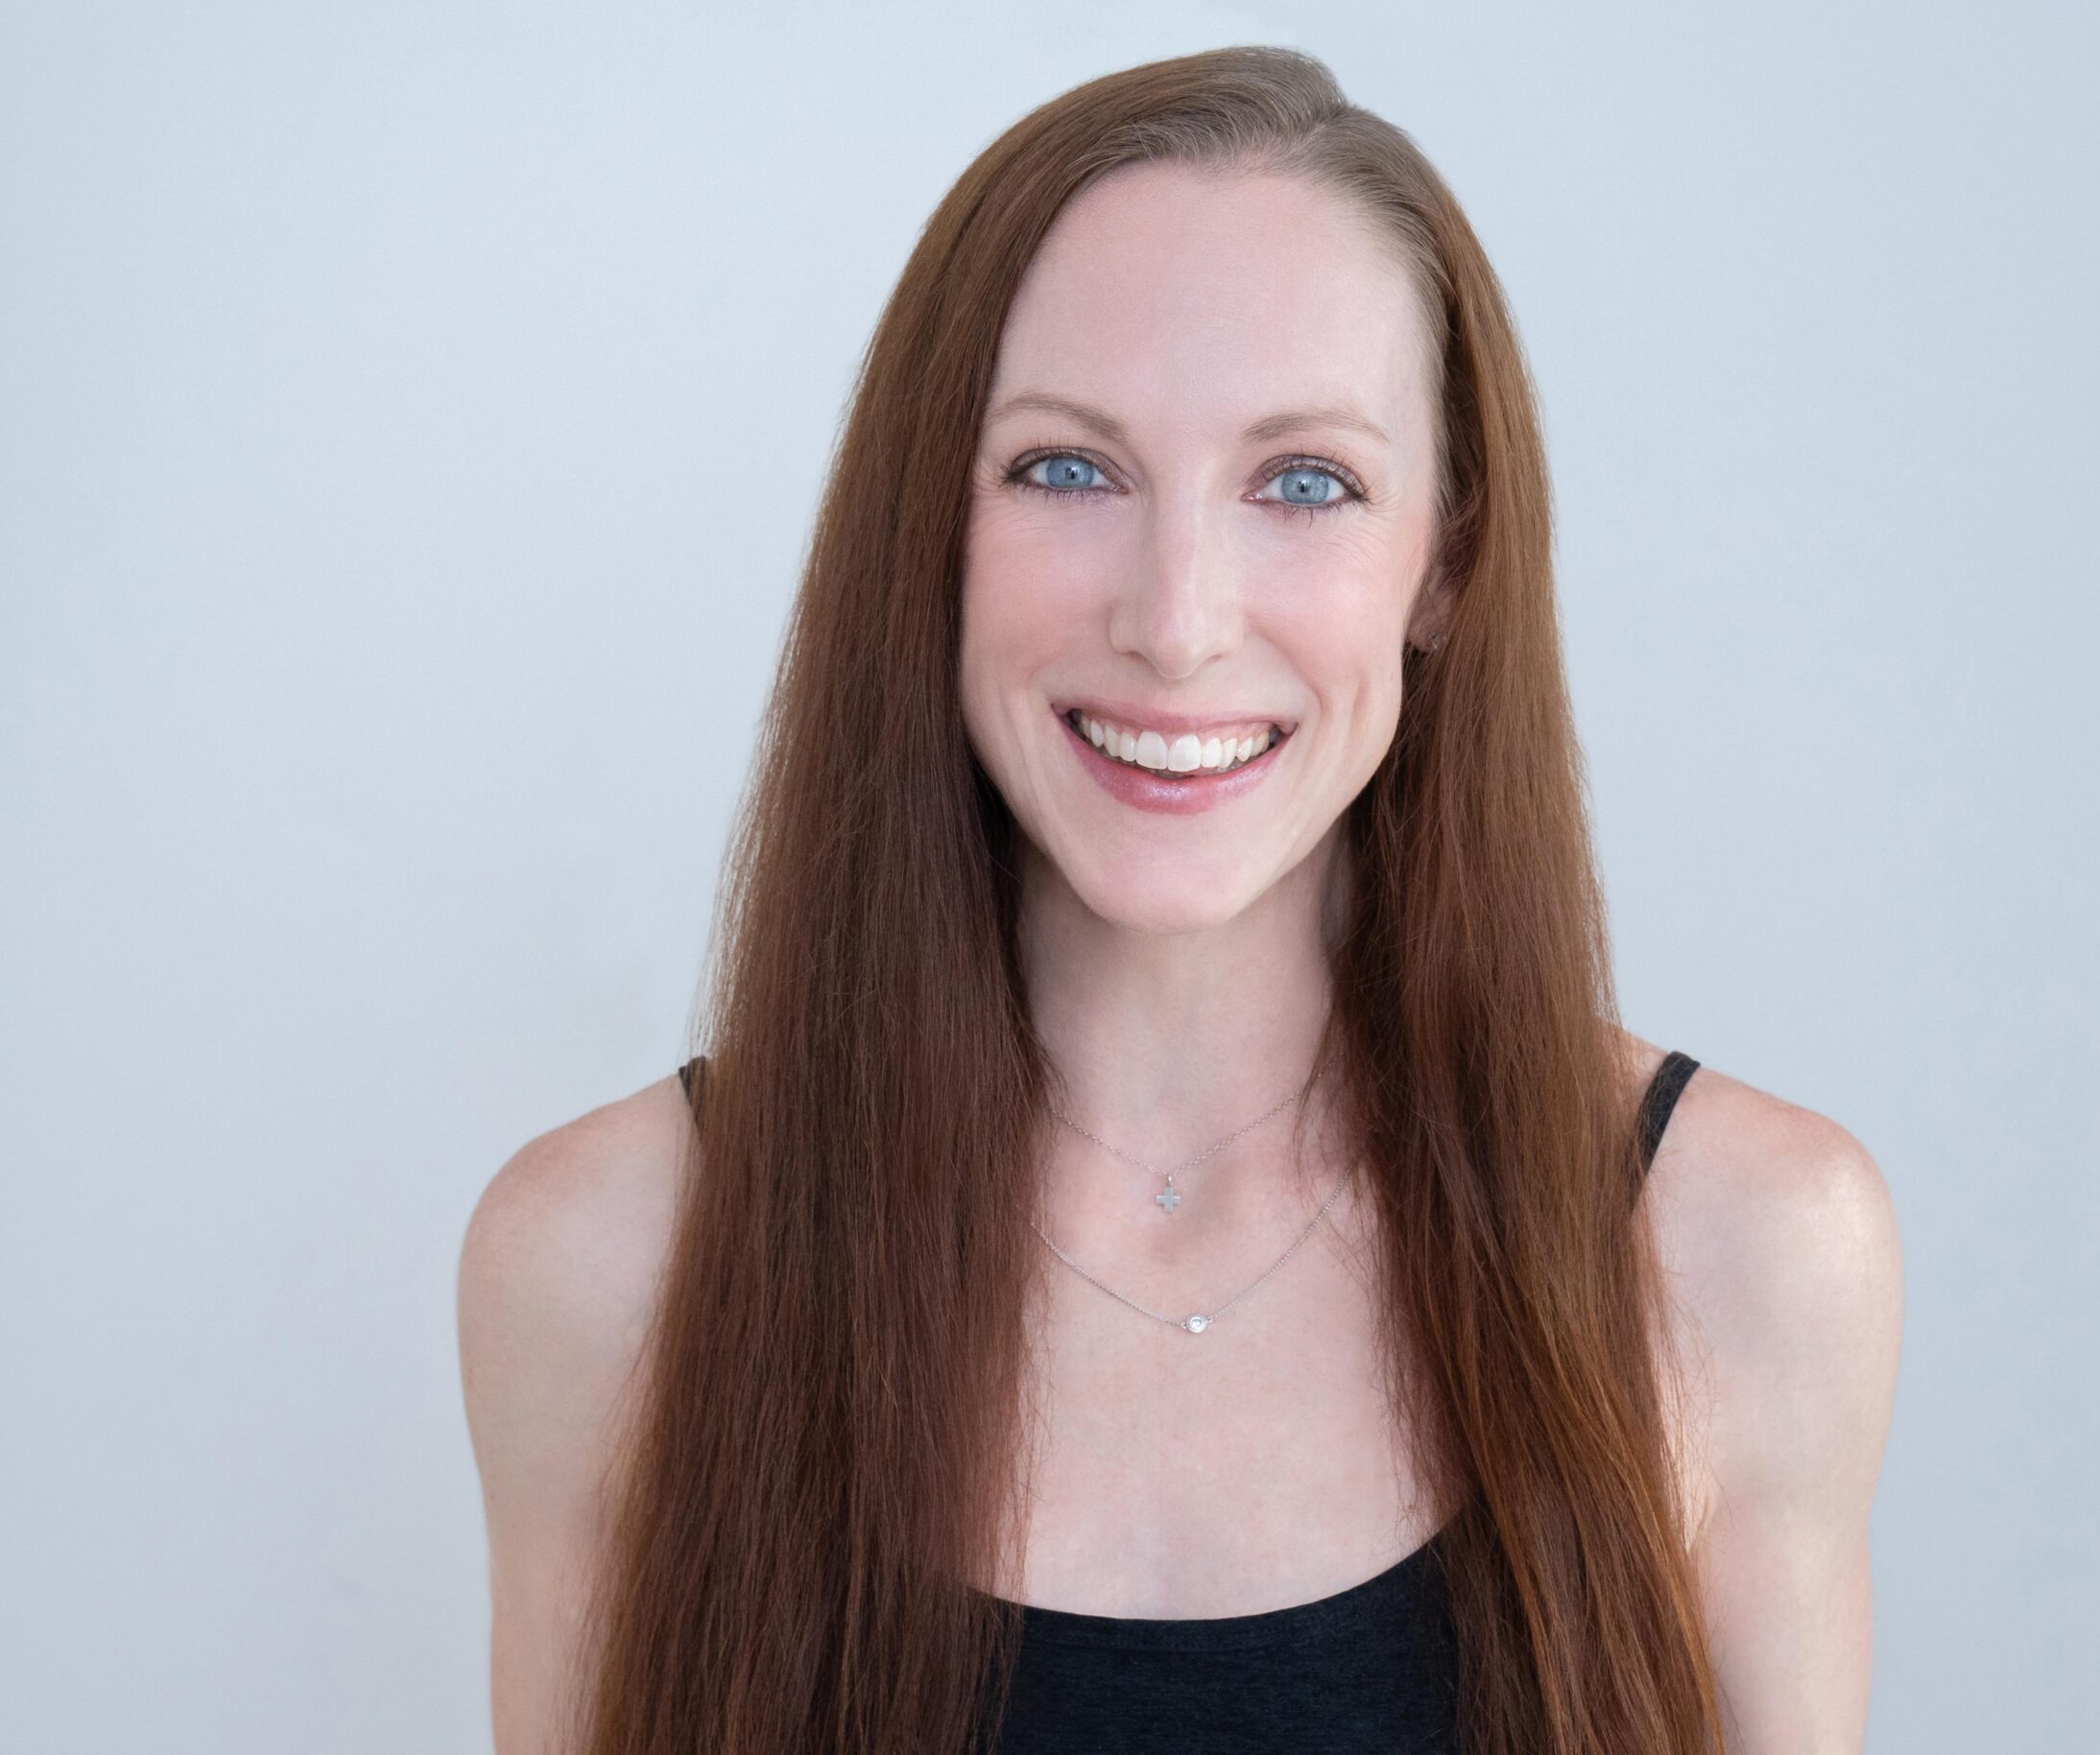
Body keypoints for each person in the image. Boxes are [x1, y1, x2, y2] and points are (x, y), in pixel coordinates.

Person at [457, 44, 1901, 1755]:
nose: (1178, 617)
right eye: (1069, 468)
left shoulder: (1742, 1248)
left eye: (1307, 481)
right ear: (930, 526)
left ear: (1446, 561)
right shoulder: (611, 1262)